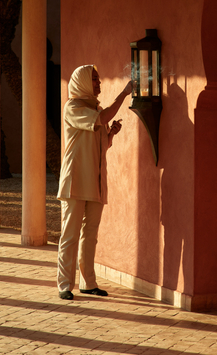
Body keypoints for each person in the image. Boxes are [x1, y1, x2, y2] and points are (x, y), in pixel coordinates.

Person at [56, 64, 132, 300]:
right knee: (70, 235)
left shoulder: (95, 109)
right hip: (76, 180)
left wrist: (111, 135)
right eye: (95, 80)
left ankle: (88, 283)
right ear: (84, 83)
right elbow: (102, 117)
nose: (99, 83)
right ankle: (64, 285)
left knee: (90, 235)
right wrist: (124, 93)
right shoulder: (73, 107)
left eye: (98, 79)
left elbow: (100, 147)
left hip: (95, 182)